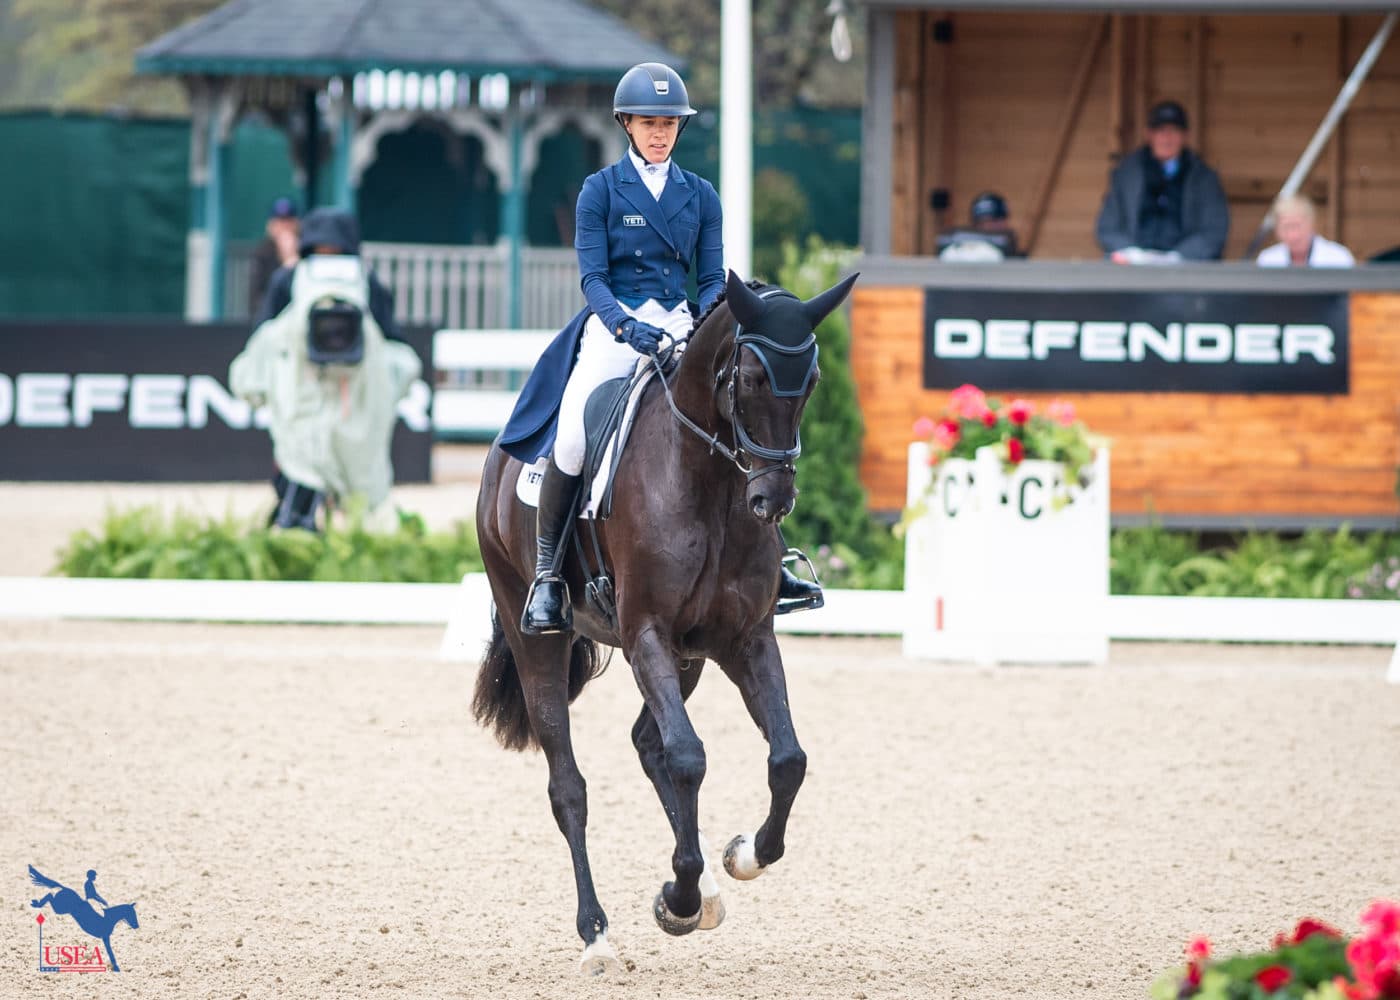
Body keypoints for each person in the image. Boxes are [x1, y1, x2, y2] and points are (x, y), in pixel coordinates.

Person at [505, 61, 824, 635]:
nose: (660, 133)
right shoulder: (599, 191)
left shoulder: (699, 196)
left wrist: (703, 326)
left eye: (669, 124)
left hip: (681, 329)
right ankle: (550, 575)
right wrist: (628, 329)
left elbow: (709, 279)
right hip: (614, 330)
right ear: (627, 123)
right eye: (649, 122)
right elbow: (594, 279)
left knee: (739, 422)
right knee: (575, 435)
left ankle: (773, 564)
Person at [231, 207, 421, 531]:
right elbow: (265, 343)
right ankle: (297, 527)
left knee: (360, 490)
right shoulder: (351, 281)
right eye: (322, 252)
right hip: (306, 402)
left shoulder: (299, 280)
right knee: (300, 477)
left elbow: (394, 349)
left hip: (352, 401)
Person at [1095, 100, 1229, 263]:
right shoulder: (1126, 174)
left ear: (1185, 136)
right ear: (1149, 134)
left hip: (1186, 270)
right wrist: (1131, 253)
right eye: (1160, 131)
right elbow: (1108, 227)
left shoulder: (1204, 178)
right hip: (1132, 267)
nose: (1167, 138)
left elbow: (1214, 231)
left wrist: (1178, 257)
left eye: (1174, 131)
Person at [252, 207, 401, 342]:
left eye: (336, 253)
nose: (328, 260)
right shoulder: (287, 279)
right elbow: (261, 337)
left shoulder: (365, 280)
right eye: (320, 252)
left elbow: (391, 339)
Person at [1256, 195, 1354, 268]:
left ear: (1311, 225)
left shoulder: (1339, 257)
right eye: (1286, 227)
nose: (1292, 235)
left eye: (1297, 226)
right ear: (1277, 230)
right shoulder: (1266, 260)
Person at [247, 197, 300, 313]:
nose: (284, 227)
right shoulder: (262, 254)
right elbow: (256, 299)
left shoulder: (305, 251)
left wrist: (292, 259)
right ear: (270, 225)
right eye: (279, 222)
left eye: (288, 222)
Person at [937, 191, 1021, 261]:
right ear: (975, 223)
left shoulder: (1008, 242)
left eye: (999, 220)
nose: (997, 225)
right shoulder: (955, 248)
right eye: (989, 221)